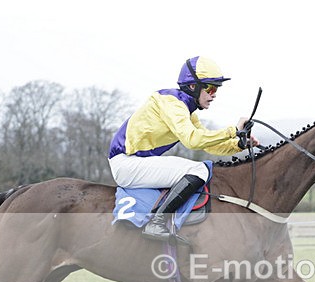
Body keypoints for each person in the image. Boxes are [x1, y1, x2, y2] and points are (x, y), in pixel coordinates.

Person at [108, 56, 259, 240]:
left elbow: (208, 143)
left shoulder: (186, 109)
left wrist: (239, 144)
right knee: (198, 169)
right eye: (210, 88)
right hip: (126, 164)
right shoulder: (172, 103)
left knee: (199, 167)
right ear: (193, 86)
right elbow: (192, 140)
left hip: (135, 162)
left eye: (216, 89)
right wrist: (233, 130)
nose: (214, 94)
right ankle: (157, 223)